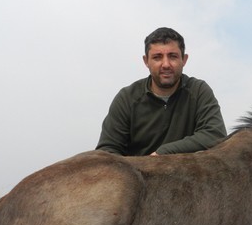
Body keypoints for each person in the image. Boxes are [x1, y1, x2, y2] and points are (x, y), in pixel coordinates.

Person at [96, 27, 227, 156]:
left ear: (184, 60)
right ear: (146, 61)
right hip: (137, 175)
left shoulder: (199, 91)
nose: (166, 64)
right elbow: (107, 151)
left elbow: (215, 135)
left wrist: (162, 154)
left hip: (186, 174)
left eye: (173, 56)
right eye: (157, 57)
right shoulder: (126, 98)